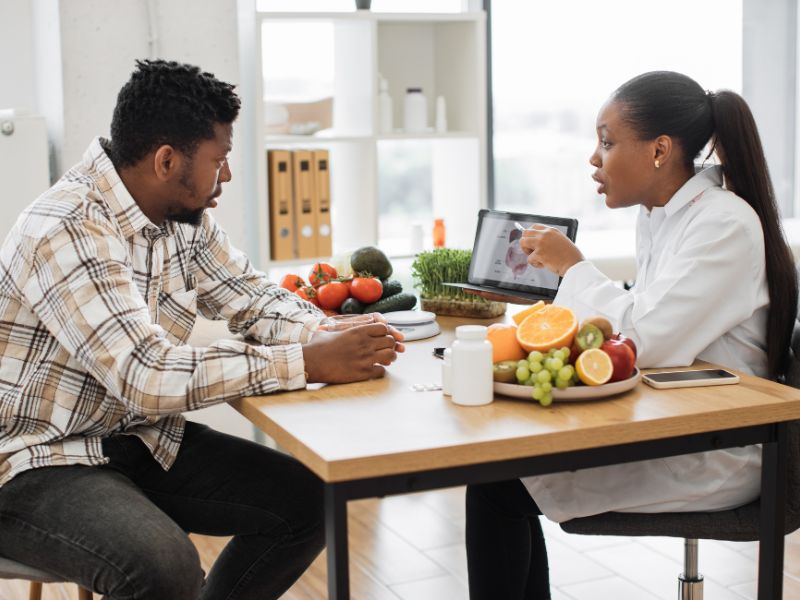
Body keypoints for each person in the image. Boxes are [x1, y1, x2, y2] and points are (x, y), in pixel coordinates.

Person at [0, 59, 404, 600]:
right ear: (167, 160)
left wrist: (324, 334)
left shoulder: (181, 221)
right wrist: (305, 362)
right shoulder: (67, 227)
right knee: (163, 566)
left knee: (310, 502)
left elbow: (252, 298)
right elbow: (147, 374)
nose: (228, 176)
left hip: (135, 437)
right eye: (221, 159)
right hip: (35, 458)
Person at [465, 71, 798, 599]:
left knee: (497, 483)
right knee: (498, 471)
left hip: (718, 446)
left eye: (606, 141)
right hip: (674, 415)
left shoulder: (724, 224)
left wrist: (572, 268)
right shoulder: (662, 216)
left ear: (660, 150)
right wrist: (555, 300)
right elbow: (641, 317)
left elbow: (646, 339)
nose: (593, 160)